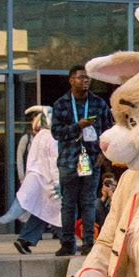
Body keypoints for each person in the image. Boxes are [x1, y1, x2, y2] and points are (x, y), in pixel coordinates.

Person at [51, 65, 112, 257]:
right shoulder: (61, 104)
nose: (86, 80)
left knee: (88, 203)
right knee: (68, 204)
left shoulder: (98, 103)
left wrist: (104, 153)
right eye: (81, 77)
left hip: (92, 160)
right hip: (69, 160)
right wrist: (77, 126)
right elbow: (56, 132)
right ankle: (68, 243)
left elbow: (109, 130)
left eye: (88, 78)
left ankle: (88, 243)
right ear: (71, 80)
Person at [0, 106, 62, 253]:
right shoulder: (52, 138)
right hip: (49, 181)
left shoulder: (38, 137)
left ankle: (25, 239)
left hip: (38, 179)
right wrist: (58, 182)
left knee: (43, 212)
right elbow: (54, 163)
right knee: (59, 212)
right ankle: (68, 241)